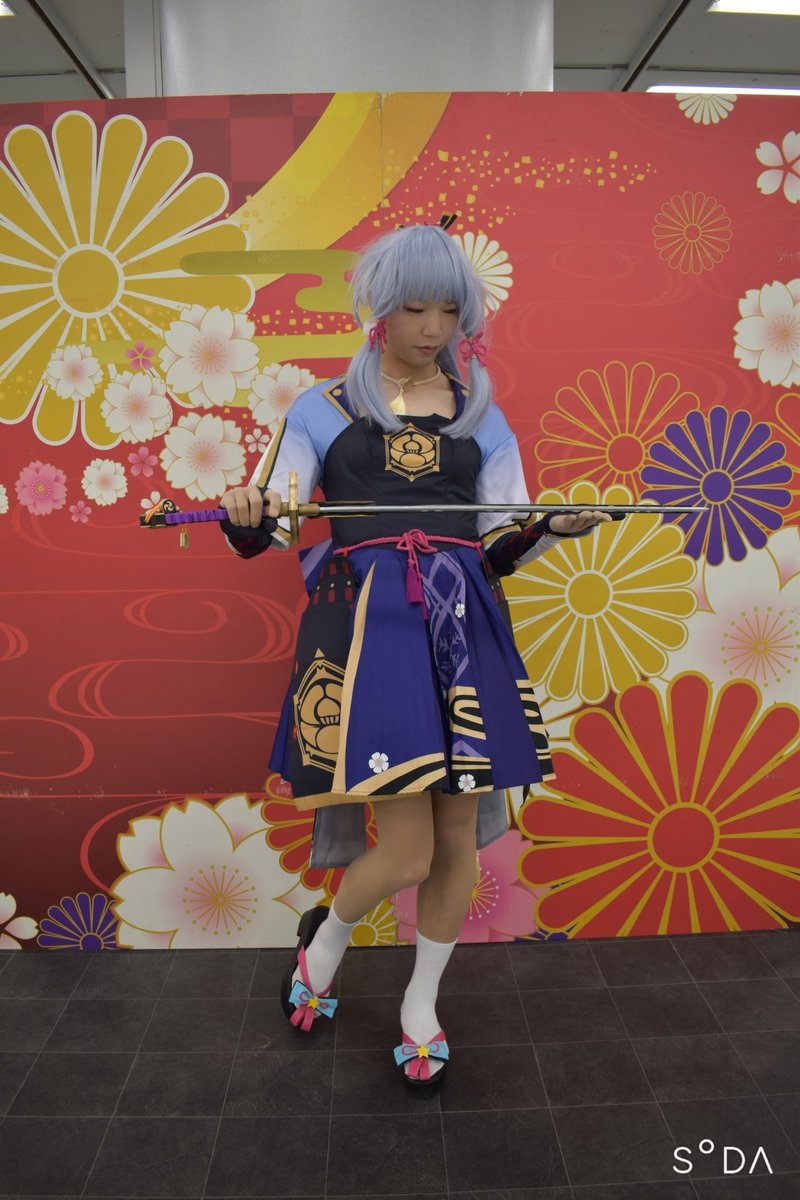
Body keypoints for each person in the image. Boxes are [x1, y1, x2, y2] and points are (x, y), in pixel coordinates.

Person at [220, 221, 610, 1093]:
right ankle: (327, 939)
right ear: (378, 308)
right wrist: (250, 513)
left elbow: (499, 541)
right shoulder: (321, 408)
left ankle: (421, 1002)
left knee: (456, 835)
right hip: (370, 632)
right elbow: (274, 519)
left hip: (462, 630)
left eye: (449, 311)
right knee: (405, 851)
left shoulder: (481, 416)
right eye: (414, 308)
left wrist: (550, 525)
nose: (433, 328)